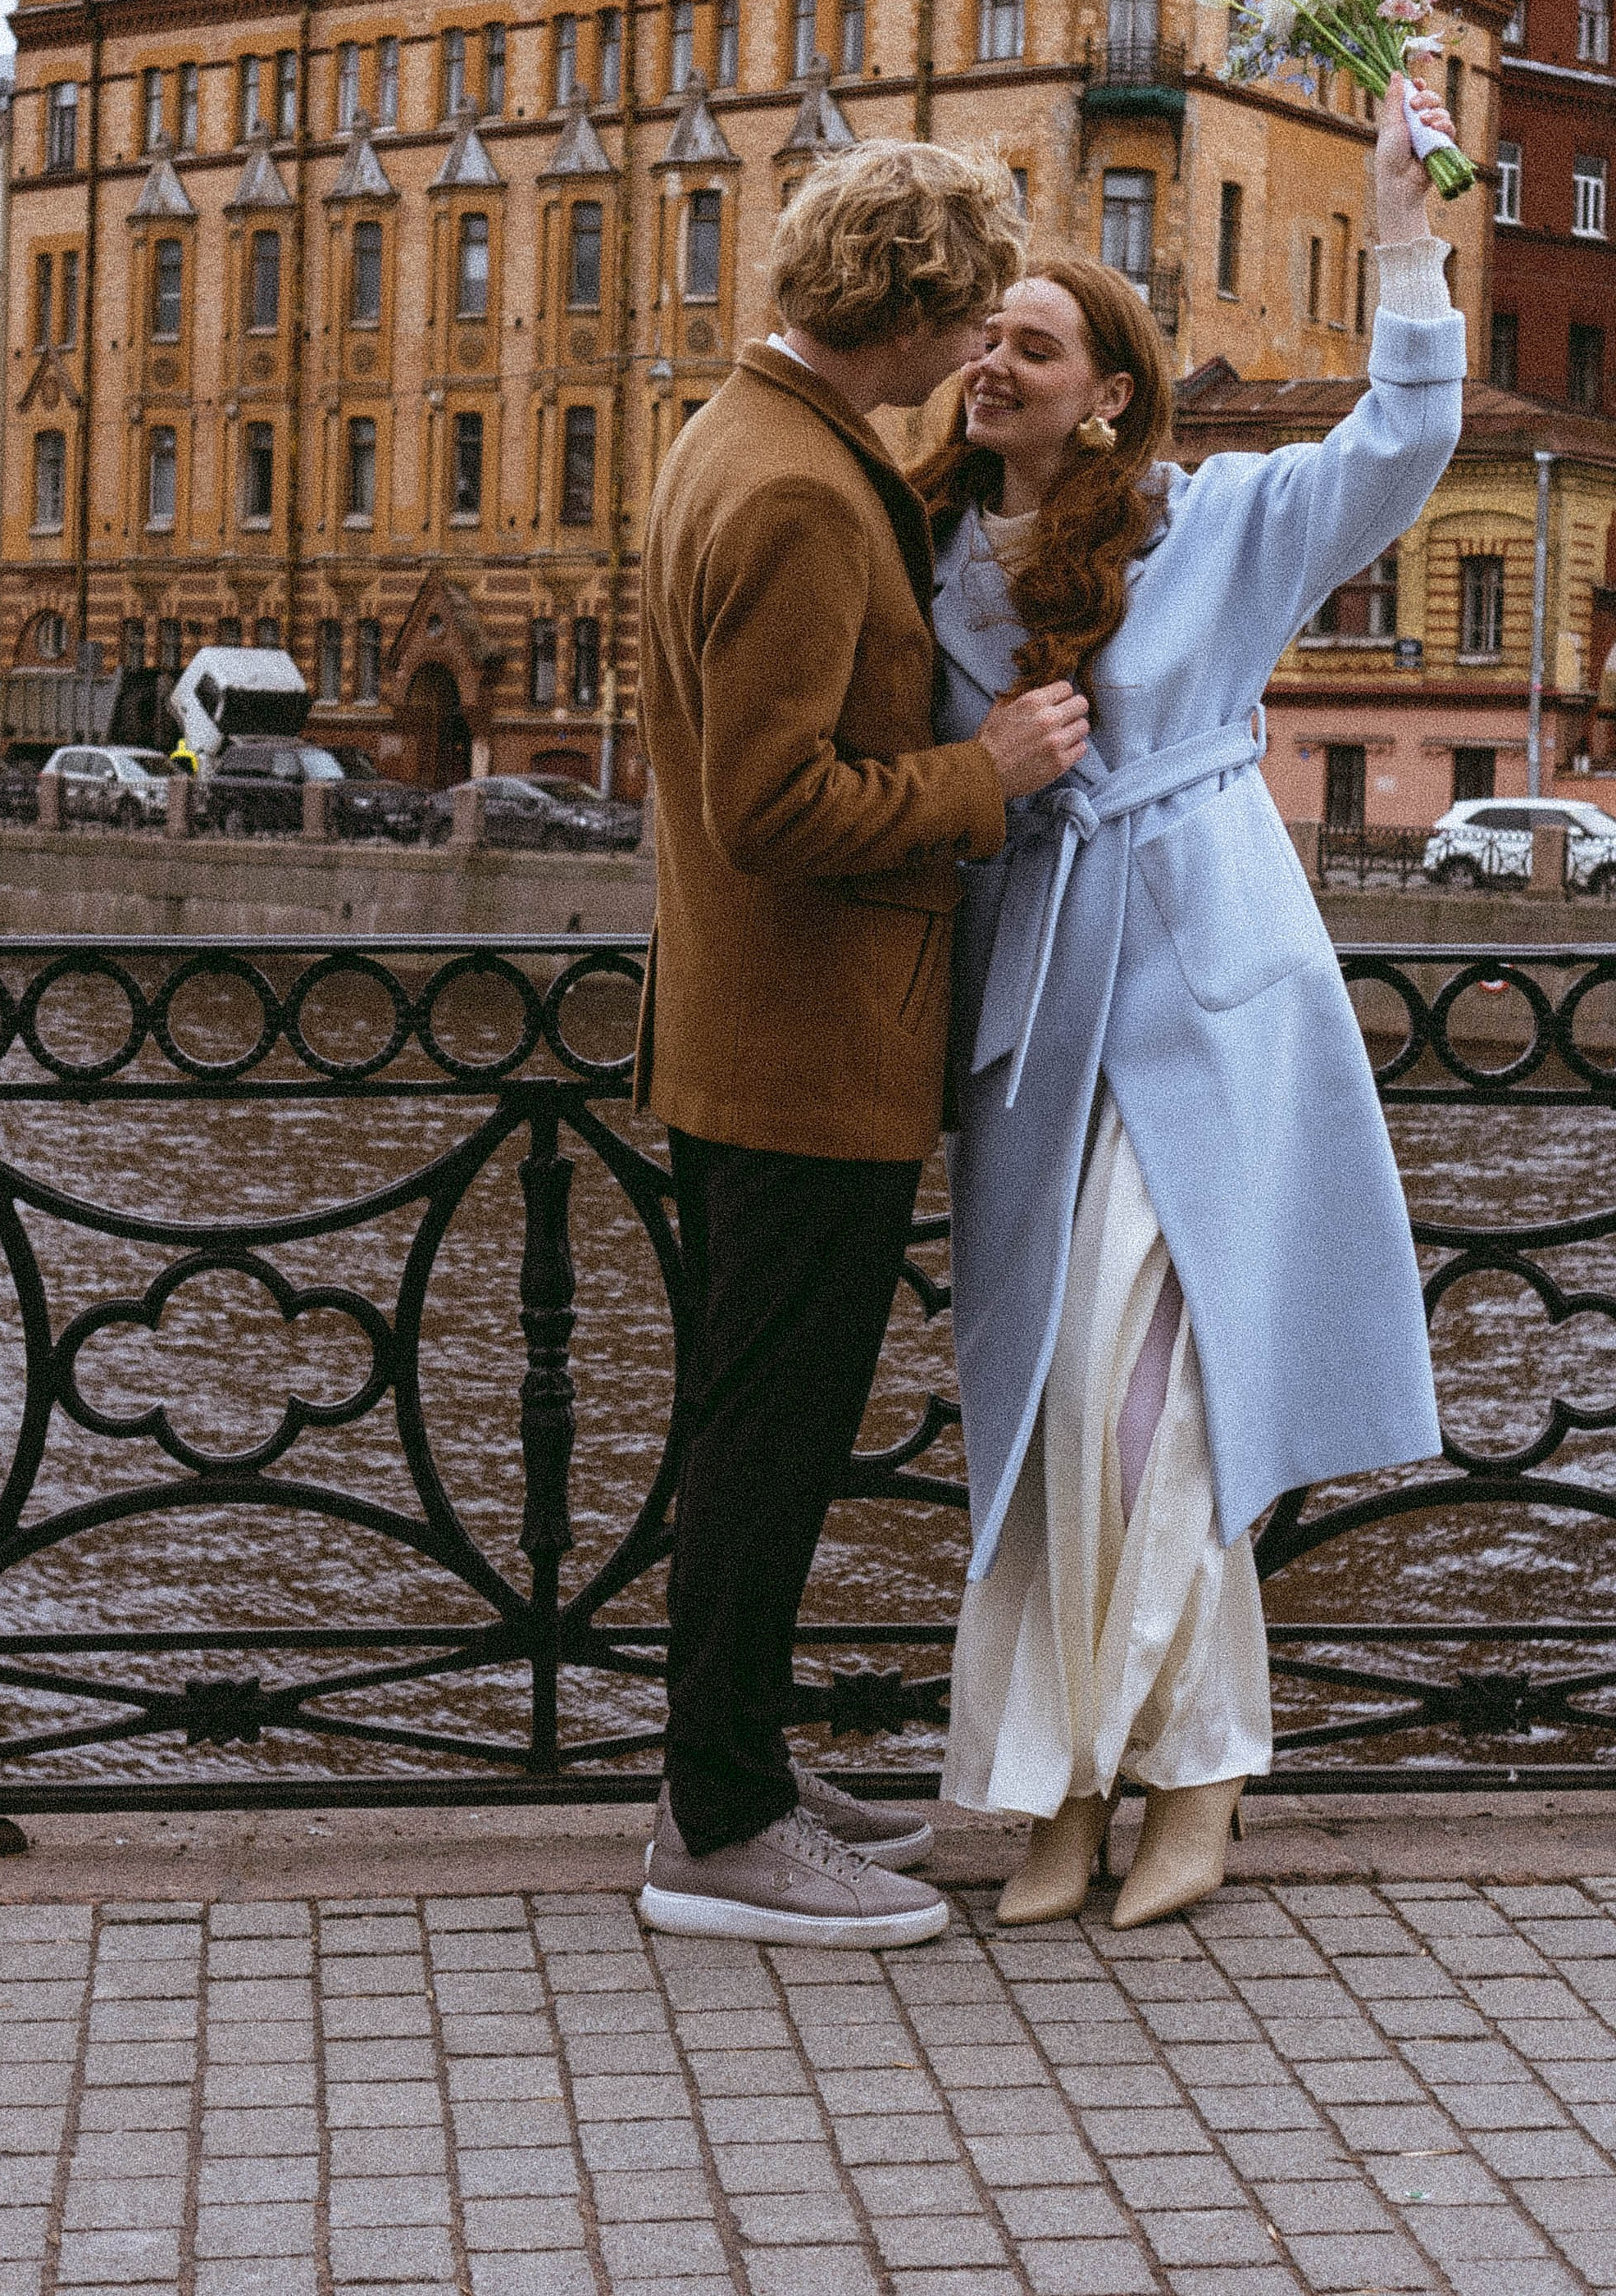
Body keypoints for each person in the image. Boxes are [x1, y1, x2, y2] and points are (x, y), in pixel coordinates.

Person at [919, 75, 1467, 1928]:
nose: (994, 356)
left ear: (1114, 392)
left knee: (1160, 1399)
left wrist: (1401, 233)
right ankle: (1065, 1787)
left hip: (1210, 1005)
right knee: (1054, 1405)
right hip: (1040, 1030)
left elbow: (1401, 442)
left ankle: (1201, 1775)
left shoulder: (1212, 525)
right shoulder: (940, 575)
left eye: (1035, 341)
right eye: (985, 335)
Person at [634, 138, 1092, 1948]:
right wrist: (988, 776)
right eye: (964, 316)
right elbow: (771, 801)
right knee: (768, 1438)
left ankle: (719, 1761)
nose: (971, 352)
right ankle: (723, 1827)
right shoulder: (805, 499)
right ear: (899, 310)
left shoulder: (742, 433)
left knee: (752, 1421)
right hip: (804, 1043)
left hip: (749, 1031)